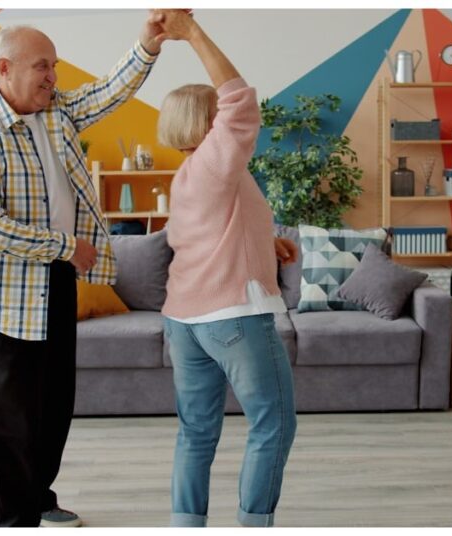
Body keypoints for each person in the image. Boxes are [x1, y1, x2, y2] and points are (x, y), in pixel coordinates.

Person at [0, 16, 174, 527]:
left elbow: (111, 92)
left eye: (53, 65)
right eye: (42, 66)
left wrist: (147, 44)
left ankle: (38, 494)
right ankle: (11, 519)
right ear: (4, 69)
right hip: (6, 293)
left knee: (55, 406)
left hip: (56, 281)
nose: (53, 76)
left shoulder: (56, 110)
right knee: (11, 419)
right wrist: (66, 246)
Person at [155, 10, 298, 528]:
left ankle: (187, 525)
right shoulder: (217, 162)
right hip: (230, 317)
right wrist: (191, 32)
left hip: (184, 320)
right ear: (209, 124)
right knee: (274, 422)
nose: (226, 120)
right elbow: (240, 100)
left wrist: (268, 242)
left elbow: (206, 237)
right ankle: (254, 524)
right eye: (217, 116)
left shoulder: (192, 176)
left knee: (196, 431)